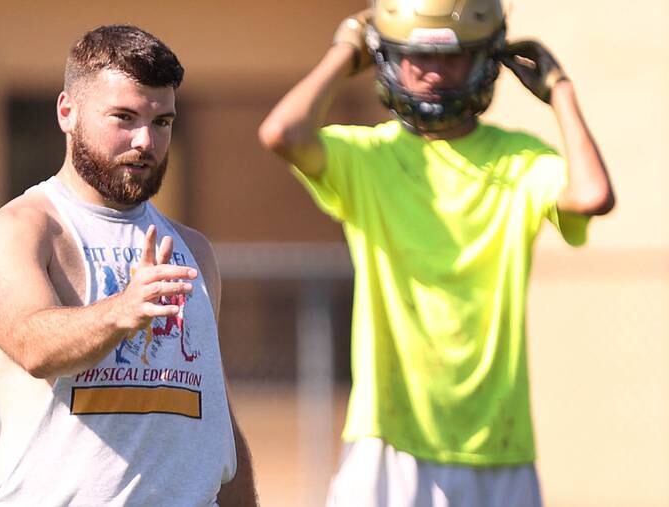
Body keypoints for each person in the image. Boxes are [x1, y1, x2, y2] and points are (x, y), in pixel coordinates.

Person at [258, 0, 614, 505]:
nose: (433, 72)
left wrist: (561, 92)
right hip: (388, 436)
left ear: (488, 61)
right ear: (383, 57)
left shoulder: (520, 159)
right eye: (414, 55)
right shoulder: (369, 156)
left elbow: (592, 194)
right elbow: (281, 133)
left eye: (454, 57)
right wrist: (343, 50)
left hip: (499, 445)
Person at [0, 24, 258, 506]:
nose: (145, 141)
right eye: (123, 117)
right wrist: (123, 310)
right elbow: (33, 345)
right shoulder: (22, 230)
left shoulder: (193, 249)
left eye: (162, 122)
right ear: (68, 112)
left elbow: (214, 417)